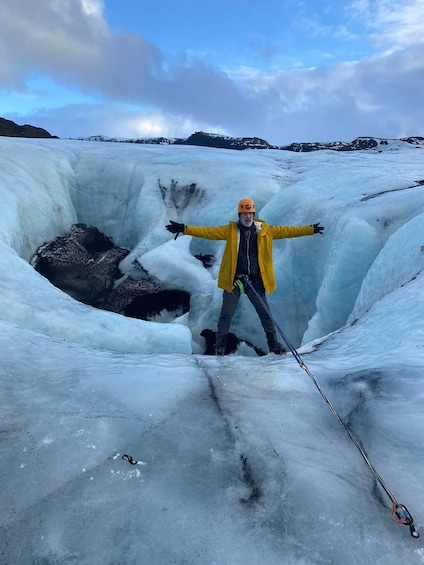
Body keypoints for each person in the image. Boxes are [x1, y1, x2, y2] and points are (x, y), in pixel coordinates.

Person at [166, 198, 324, 355]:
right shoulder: (230, 231)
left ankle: (274, 345)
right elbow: (208, 232)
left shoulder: (265, 230)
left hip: (255, 281)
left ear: (253, 213)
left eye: (250, 213)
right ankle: (219, 346)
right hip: (235, 280)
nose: (248, 216)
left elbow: (288, 231)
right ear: (239, 214)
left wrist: (310, 229)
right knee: (226, 314)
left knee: (265, 315)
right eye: (244, 213)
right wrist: (184, 228)